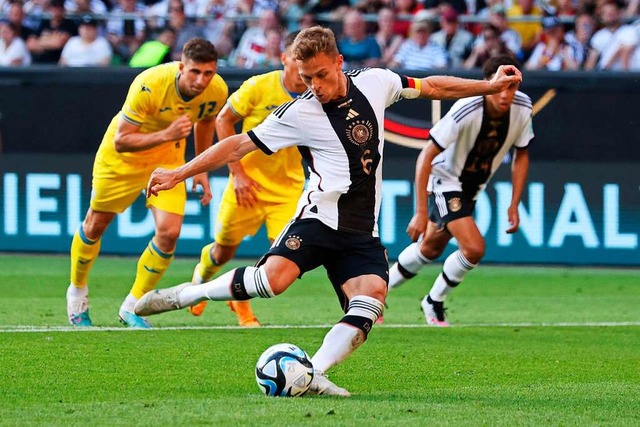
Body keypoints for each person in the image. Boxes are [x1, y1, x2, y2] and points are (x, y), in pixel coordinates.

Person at [135, 26, 521, 396]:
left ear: (338, 61)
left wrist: (488, 87)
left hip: (361, 231)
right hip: (318, 219)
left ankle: (311, 373)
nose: (314, 87)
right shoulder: (298, 113)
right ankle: (185, 295)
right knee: (271, 283)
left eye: (320, 75)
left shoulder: (375, 81)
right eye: (306, 78)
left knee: (370, 303)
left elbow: (432, 86)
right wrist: (179, 172)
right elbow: (236, 145)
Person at [65, 38, 228, 328]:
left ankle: (133, 307)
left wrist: (200, 167)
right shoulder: (149, 83)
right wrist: (167, 134)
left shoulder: (217, 90)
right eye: (195, 72)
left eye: (208, 73)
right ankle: (77, 292)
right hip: (122, 159)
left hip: (167, 161)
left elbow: (205, 122)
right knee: (95, 224)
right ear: (181, 67)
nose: (202, 80)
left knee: (169, 232)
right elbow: (122, 140)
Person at [387, 55, 533, 327]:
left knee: (430, 248)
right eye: (501, 85)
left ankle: (378, 292)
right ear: (489, 83)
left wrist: (514, 203)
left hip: (473, 187)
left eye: (513, 86)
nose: (506, 94)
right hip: (445, 181)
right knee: (474, 248)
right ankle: (434, 300)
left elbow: (522, 154)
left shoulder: (523, 107)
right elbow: (426, 156)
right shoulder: (467, 108)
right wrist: (420, 211)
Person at [188, 31, 307, 326]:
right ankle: (201, 277)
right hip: (247, 185)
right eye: (297, 57)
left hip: (288, 189)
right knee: (222, 251)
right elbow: (223, 119)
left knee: (284, 260)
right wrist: (237, 173)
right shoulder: (259, 85)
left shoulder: (316, 93)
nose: (302, 65)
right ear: (284, 59)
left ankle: (239, 296)